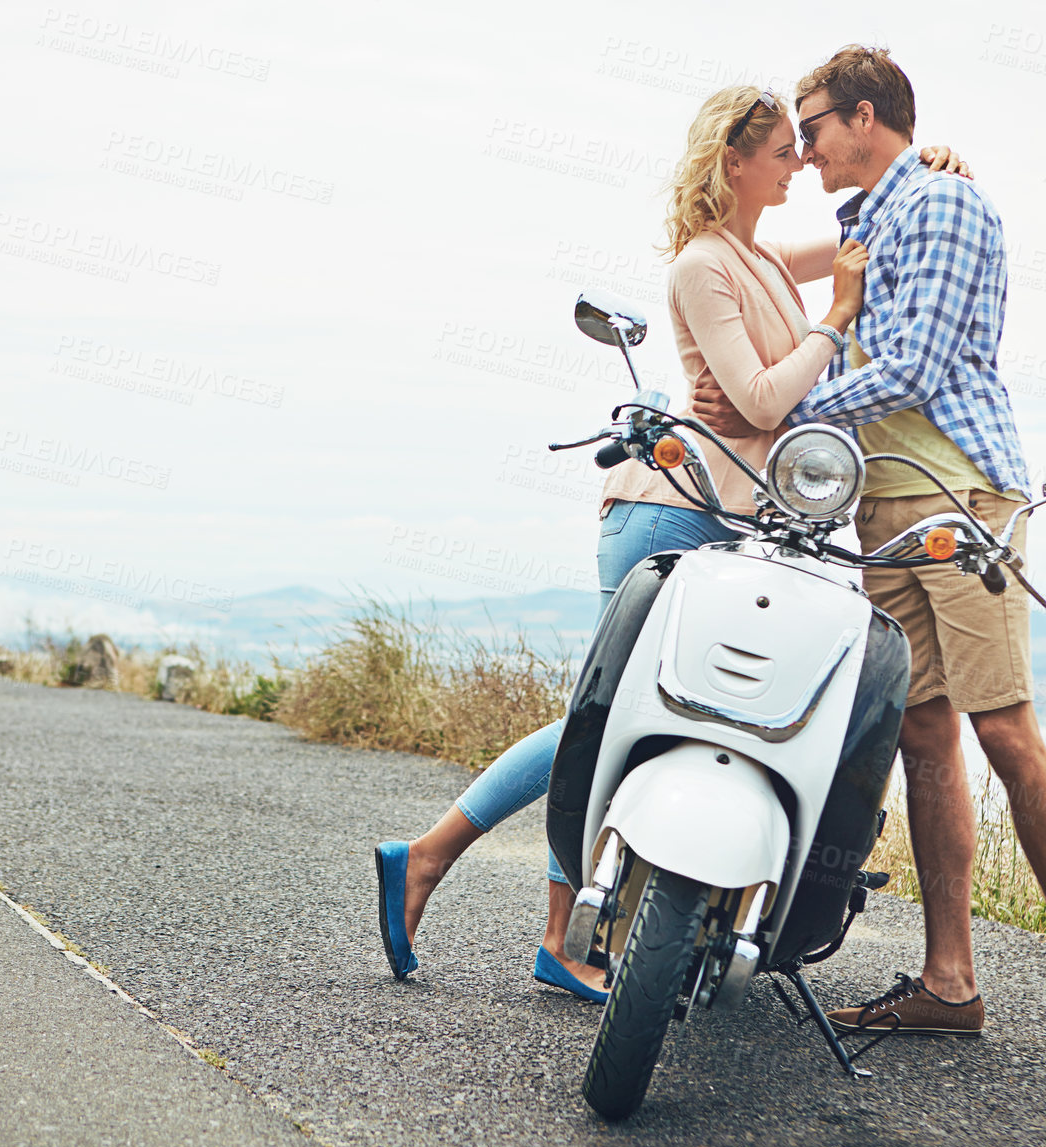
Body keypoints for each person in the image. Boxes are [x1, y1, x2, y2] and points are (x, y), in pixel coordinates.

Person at [375, 84, 968, 1001]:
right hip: (669, 510)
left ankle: (556, 935)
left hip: (727, 518)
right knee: (607, 718)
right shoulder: (703, 264)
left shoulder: (760, 253)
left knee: (623, 719)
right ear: (734, 160)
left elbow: (863, 243)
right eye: (782, 150)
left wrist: (931, 170)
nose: (801, 162)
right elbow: (768, 399)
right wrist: (834, 322)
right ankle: (436, 861)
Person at [691, 45, 1046, 1069]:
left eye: (812, 130)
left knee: (1006, 734)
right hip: (882, 503)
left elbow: (916, 366)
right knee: (923, 735)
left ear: (861, 115)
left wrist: (778, 407)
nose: (802, 151)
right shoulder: (867, 218)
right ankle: (949, 982)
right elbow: (789, 284)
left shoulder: (938, 205)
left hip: (959, 499)